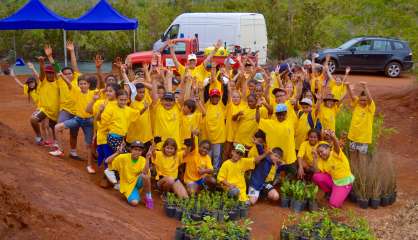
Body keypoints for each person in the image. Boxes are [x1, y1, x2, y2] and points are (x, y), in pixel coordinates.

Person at [49, 74, 96, 173]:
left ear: (89, 84)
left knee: (88, 145)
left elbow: (104, 90)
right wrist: (62, 75)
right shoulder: (76, 91)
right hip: (78, 119)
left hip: (89, 122)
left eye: (85, 84)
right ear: (78, 85)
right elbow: (69, 83)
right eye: (81, 84)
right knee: (57, 127)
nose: (83, 85)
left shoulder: (93, 93)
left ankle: (89, 165)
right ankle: (60, 150)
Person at [44, 42, 82, 159]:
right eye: (65, 73)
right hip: (65, 110)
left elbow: (74, 65)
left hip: (77, 111)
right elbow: (56, 68)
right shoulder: (60, 80)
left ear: (73, 74)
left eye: (69, 73)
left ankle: (73, 152)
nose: (68, 75)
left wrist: (71, 51)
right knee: (59, 126)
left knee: (74, 133)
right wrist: (50, 57)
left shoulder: (77, 79)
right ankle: (59, 149)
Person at [312, 131, 354, 208]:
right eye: (319, 153)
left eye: (322, 151)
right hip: (334, 181)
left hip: (344, 183)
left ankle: (342, 193)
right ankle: (330, 192)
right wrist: (315, 158)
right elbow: (316, 171)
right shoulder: (322, 160)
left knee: (333, 204)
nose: (321, 154)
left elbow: (337, 147)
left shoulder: (334, 154)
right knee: (316, 176)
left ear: (328, 149)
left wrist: (333, 137)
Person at [105, 141, 154, 209]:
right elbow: (107, 161)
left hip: (137, 182)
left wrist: (148, 158)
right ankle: (132, 194)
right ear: (131, 150)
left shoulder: (143, 160)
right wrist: (117, 153)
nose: (137, 152)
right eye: (135, 149)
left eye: (139, 150)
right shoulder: (123, 157)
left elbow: (145, 173)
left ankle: (148, 198)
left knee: (145, 176)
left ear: (142, 152)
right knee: (134, 203)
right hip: (127, 185)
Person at [256, 103, 297, 178]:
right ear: (275, 114)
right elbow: (258, 120)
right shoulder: (270, 123)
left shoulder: (290, 121)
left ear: (286, 113)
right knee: (273, 179)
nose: (281, 116)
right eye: (278, 114)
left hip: (290, 158)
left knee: (293, 176)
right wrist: (257, 109)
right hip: (275, 158)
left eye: (283, 114)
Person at [30, 56, 59, 146]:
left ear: (54, 73)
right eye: (48, 73)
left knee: (53, 127)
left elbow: (59, 71)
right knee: (33, 119)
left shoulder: (58, 82)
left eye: (51, 73)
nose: (49, 74)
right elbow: (41, 73)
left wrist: (51, 58)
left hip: (55, 110)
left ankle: (56, 142)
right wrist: (42, 63)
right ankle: (39, 136)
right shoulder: (43, 81)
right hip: (44, 109)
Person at [248, 140, 283, 205]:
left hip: (265, 184)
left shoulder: (277, 164)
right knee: (252, 202)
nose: (276, 158)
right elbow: (260, 149)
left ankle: (261, 195)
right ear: (271, 154)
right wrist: (257, 143)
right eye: (275, 156)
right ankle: (253, 194)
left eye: (278, 157)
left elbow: (284, 166)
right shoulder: (265, 158)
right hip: (255, 184)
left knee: (276, 196)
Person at [346, 81, 375, 155]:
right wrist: (348, 86)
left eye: (364, 100)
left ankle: (362, 167)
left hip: (363, 138)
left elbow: (370, 99)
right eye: (361, 100)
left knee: (362, 157)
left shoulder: (370, 108)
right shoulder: (356, 105)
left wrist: (365, 87)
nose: (362, 102)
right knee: (353, 155)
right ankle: (353, 167)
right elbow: (352, 96)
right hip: (353, 136)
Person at [204, 88, 226, 170]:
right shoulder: (206, 106)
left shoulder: (222, 106)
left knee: (217, 155)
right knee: (208, 156)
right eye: (213, 97)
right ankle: (208, 170)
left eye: (217, 97)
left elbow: (226, 95)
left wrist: (225, 85)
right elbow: (204, 95)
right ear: (210, 98)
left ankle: (215, 170)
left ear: (219, 98)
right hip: (207, 137)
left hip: (218, 138)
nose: (215, 98)